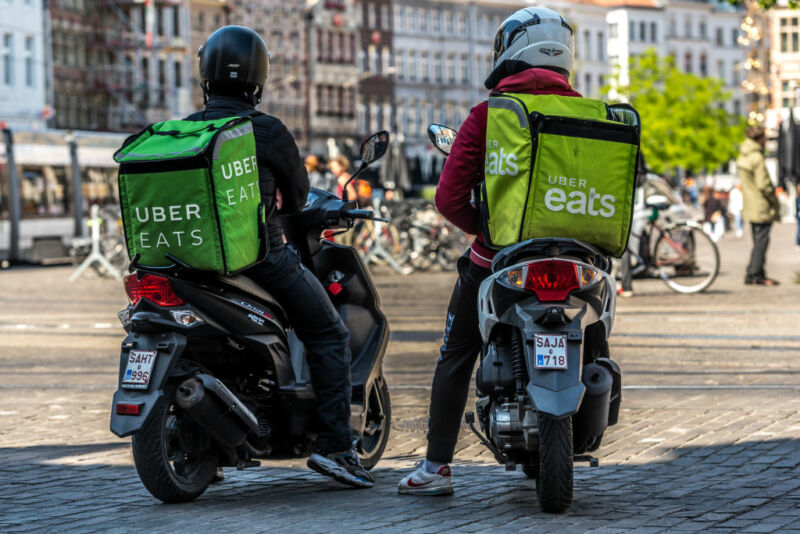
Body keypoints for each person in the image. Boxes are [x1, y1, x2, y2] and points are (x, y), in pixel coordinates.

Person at [397, 6, 582, 495]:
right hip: (576, 258)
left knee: (456, 352)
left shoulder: (488, 114)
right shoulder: (587, 112)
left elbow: (447, 198)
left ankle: (436, 467)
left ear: (511, 51)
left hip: (500, 259)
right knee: (597, 327)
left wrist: (487, 230)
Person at [188, 26, 374, 488]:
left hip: (186, 263)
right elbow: (296, 201)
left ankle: (208, 444)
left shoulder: (185, 130)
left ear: (205, 75)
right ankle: (336, 448)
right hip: (259, 258)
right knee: (329, 333)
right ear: (259, 79)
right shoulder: (267, 131)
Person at [737, 126, 781, 286]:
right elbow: (764, 184)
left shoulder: (744, 155)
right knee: (761, 243)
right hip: (761, 205)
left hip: (749, 204)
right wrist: (774, 200)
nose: (766, 142)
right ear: (760, 139)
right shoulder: (756, 157)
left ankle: (756, 273)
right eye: (765, 139)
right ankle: (754, 274)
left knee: (758, 241)